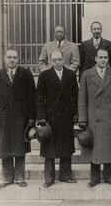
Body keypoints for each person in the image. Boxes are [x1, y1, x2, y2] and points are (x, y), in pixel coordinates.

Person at [0, 49, 36, 188]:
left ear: (18, 59)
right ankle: (7, 178)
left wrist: (32, 118)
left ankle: (20, 177)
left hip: (21, 119)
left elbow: (32, 98)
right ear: (4, 58)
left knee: (20, 148)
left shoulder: (25, 74)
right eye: (9, 57)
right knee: (5, 149)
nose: (12, 60)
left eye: (15, 57)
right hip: (4, 119)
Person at [78, 48, 111, 188]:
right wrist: (82, 118)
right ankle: (94, 177)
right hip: (93, 118)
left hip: (110, 117)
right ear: (95, 59)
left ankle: (109, 176)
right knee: (94, 149)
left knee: (109, 147)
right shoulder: (86, 75)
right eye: (101, 57)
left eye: (106, 57)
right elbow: (82, 99)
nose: (103, 60)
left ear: (108, 59)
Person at [36, 51, 78, 188]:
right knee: (49, 148)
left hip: (66, 116)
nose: (58, 62)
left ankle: (65, 175)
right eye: (55, 60)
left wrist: (75, 114)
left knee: (66, 146)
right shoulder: (44, 75)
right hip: (50, 117)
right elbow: (39, 98)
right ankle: (49, 178)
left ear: (64, 60)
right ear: (50, 61)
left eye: (60, 59)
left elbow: (75, 96)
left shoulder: (71, 75)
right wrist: (41, 117)